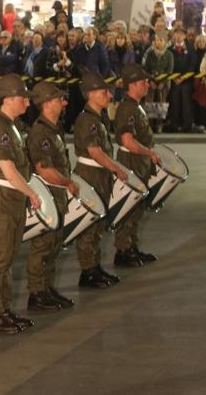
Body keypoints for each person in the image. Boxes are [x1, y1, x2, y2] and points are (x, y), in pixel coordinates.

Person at [0, 73, 40, 334]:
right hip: (3, 199)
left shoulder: (11, 126)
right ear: (9, 99)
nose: (27, 102)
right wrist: (32, 193)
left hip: (12, 199)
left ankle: (3, 309)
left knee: (8, 258)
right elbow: (8, 169)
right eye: (23, 97)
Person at [25, 81, 78, 312]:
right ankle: (36, 293)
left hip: (57, 195)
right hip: (47, 195)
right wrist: (68, 182)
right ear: (46, 104)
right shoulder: (40, 132)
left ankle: (46, 288)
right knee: (43, 246)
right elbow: (44, 168)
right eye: (58, 99)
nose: (63, 102)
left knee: (54, 244)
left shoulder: (54, 128)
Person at [72, 70, 128, 290]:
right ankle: (88, 271)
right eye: (104, 91)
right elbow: (95, 151)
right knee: (89, 225)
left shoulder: (98, 117)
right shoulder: (88, 121)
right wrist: (117, 169)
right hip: (91, 174)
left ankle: (94, 267)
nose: (109, 95)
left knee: (98, 224)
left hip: (99, 174)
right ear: (90, 94)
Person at [113, 64, 162, 267]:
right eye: (143, 82)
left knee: (137, 207)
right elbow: (127, 140)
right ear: (132, 85)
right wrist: (148, 152)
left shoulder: (135, 106)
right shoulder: (128, 108)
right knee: (130, 207)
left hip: (138, 162)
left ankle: (131, 247)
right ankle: (123, 250)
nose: (147, 85)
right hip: (131, 161)